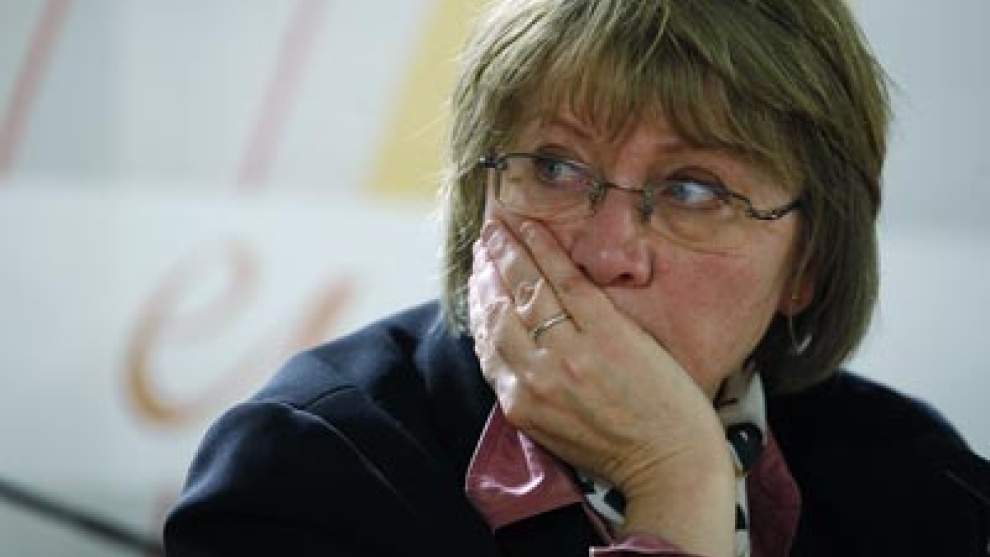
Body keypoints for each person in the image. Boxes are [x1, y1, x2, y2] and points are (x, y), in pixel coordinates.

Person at [164, 0, 990, 555]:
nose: (604, 251)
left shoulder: (920, 487)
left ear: (806, 265)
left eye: (692, 190)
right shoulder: (307, 473)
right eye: (554, 167)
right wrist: (676, 483)